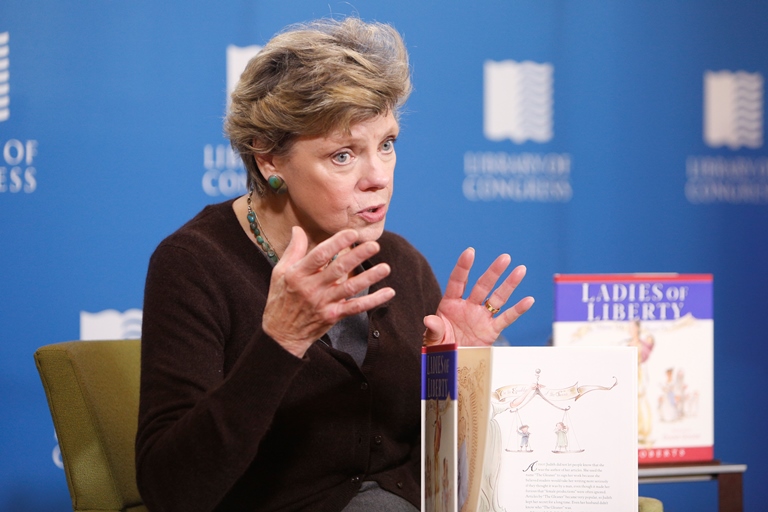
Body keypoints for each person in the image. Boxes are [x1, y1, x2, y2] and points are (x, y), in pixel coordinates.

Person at [135, 17, 533, 512]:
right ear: (268, 159)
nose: (378, 177)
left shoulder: (402, 263)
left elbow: (435, 476)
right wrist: (281, 341)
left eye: (386, 144)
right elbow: (170, 492)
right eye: (343, 155)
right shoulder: (196, 265)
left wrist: (455, 378)